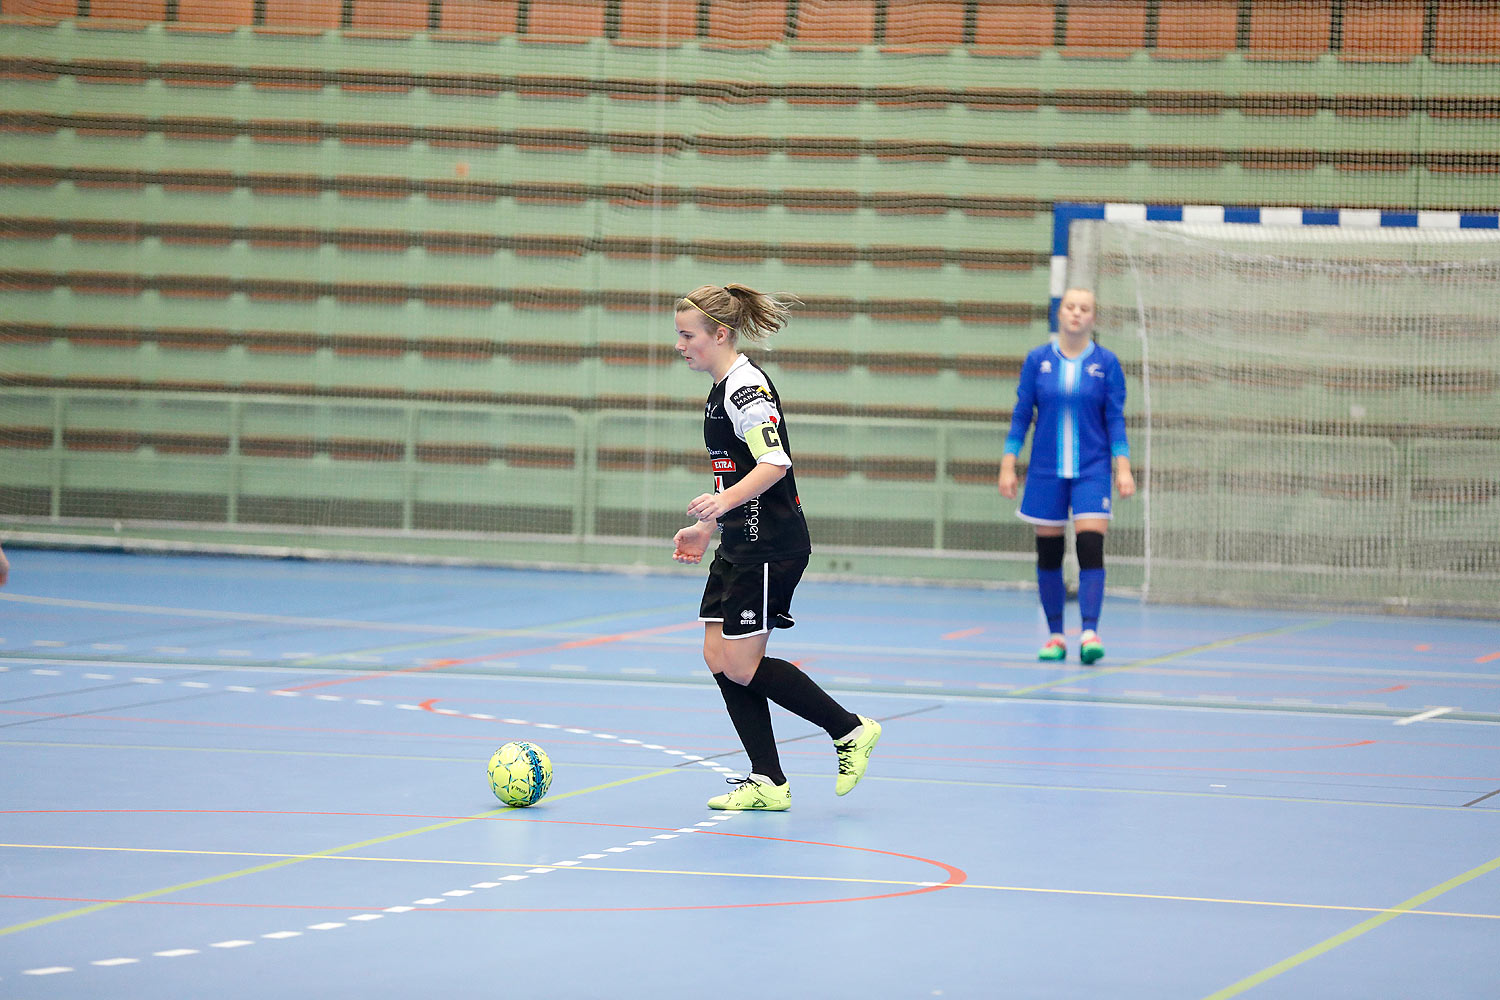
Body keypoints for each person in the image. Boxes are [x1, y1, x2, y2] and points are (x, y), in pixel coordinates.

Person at [670, 283, 880, 811]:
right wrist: (708, 528)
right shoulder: (720, 390)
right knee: (717, 655)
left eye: (687, 335)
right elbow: (733, 474)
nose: (680, 345)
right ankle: (767, 778)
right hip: (739, 541)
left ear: (720, 334)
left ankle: (849, 730)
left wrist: (722, 507)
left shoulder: (747, 392)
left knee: (742, 665)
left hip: (771, 545)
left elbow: (773, 463)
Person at [998, 287, 1134, 664]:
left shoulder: (1106, 363)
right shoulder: (1038, 360)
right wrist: (1009, 462)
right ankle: (1056, 635)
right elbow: (1022, 415)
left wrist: (1122, 467)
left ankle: (1089, 632)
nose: (1076, 314)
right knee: (1049, 553)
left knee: (1090, 545)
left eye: (1085, 308)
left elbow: (1115, 419)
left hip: (1092, 468)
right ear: (1060, 314)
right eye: (1070, 307)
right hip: (1045, 471)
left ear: (1093, 317)